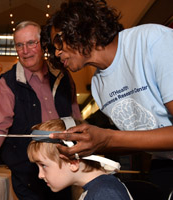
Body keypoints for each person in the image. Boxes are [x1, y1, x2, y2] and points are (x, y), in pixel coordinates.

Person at [41, 0, 173, 198]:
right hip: (164, 164)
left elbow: (115, 139)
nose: (57, 53)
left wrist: (108, 138)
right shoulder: (98, 86)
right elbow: (134, 140)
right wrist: (86, 145)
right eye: (53, 48)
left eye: (58, 42)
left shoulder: (152, 42)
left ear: (80, 27)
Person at [0, 21, 81, 200]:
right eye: (19, 45)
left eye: (31, 43)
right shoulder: (8, 82)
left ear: (42, 44)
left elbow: (75, 116)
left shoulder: (63, 75)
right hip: (29, 176)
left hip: (65, 168)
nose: (25, 50)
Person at [27, 117, 133, 200]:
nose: (40, 175)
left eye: (43, 165)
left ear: (73, 162)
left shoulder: (104, 193)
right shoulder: (97, 190)